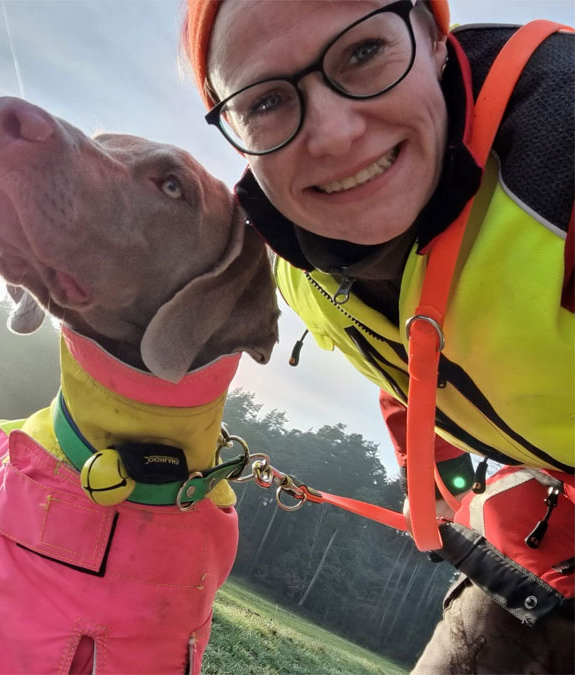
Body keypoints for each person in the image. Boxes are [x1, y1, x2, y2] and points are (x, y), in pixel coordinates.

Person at [181, 0, 574, 672]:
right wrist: (453, 489)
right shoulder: (295, 265)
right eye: (266, 101)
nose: (334, 135)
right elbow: (406, 372)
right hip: (538, 555)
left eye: (363, 54)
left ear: (431, 33)